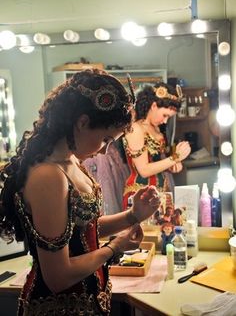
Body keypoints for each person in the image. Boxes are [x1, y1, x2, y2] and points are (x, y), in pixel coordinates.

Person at [0, 69, 161, 316]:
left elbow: (84, 229)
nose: (106, 151)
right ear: (82, 122)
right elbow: (58, 276)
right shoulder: (49, 176)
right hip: (59, 308)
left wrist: (132, 216)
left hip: (88, 302)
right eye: (106, 139)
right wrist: (115, 248)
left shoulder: (71, 162)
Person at [122, 82, 191, 211]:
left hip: (162, 192)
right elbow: (144, 170)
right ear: (153, 106)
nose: (165, 121)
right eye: (165, 115)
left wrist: (172, 166)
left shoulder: (157, 129)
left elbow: (156, 162)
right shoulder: (136, 129)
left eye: (169, 118)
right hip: (140, 193)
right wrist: (175, 158)